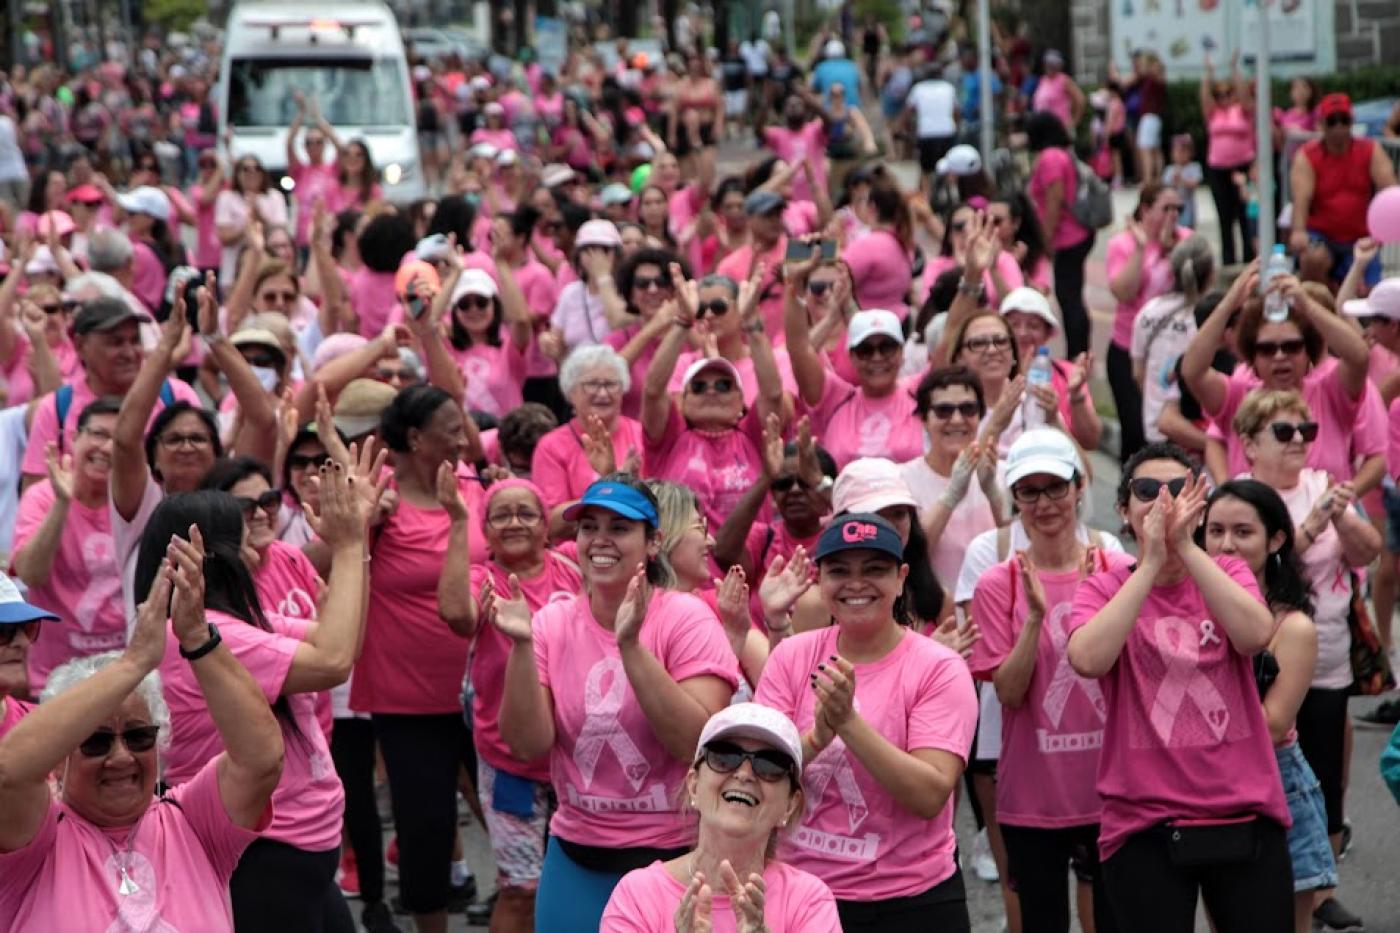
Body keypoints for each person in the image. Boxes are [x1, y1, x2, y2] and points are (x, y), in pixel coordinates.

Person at [483, 475, 739, 931]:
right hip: (578, 859)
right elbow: (527, 745)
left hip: (673, 858)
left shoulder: (686, 618)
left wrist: (631, 647)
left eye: (620, 528)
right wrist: (521, 647)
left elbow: (695, 744)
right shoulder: (551, 623)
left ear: (653, 542)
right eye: (589, 527)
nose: (600, 540)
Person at [0, 537, 284, 932]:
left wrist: (198, 638)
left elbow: (262, 760)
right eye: (96, 742)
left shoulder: (193, 822)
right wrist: (135, 662)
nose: (120, 758)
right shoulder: (36, 840)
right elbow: (9, 771)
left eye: (138, 737)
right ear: (58, 762)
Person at [1066, 443, 1292, 932]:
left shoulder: (1227, 571)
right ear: (1124, 511)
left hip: (1242, 809)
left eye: (1178, 489)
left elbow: (1254, 635)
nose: (1163, 501)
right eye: (1147, 491)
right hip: (1143, 819)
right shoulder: (1104, 588)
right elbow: (1086, 658)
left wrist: (1186, 548)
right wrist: (1148, 564)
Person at [754, 512, 977, 930]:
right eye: (839, 571)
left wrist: (848, 723)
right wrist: (817, 738)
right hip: (803, 894)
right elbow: (758, 773)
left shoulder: (938, 668)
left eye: (874, 570)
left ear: (900, 579)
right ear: (820, 580)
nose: (856, 584)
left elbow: (930, 793)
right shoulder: (791, 656)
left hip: (913, 900)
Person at [1233, 390, 1378, 932]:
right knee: (1271, 775)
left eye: (1307, 432)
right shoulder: (1242, 499)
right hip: (1263, 658)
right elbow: (1242, 563)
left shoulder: (1326, 486)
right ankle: (1267, 882)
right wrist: (1313, 524)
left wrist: (1342, 518)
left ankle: (1321, 888)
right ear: (1248, 442)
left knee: (1324, 778)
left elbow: (1368, 552)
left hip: (1328, 654)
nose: (1299, 443)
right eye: (1285, 432)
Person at [349, 384, 484, 933]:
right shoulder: (380, 501)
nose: (463, 434)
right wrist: (362, 520)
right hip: (408, 700)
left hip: (485, 690)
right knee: (424, 830)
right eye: (450, 427)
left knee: (516, 822)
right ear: (415, 438)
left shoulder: (475, 487)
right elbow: (336, 565)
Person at [970, 428, 1115, 933]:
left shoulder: (1115, 568)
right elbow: (1008, 693)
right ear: (1015, 500)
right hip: (1033, 798)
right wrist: (1034, 618)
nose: (1045, 503)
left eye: (1055, 487)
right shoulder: (999, 582)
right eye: (1029, 491)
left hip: (1113, 791)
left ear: (1078, 488)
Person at [438, 476, 580, 932]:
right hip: (509, 762)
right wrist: (459, 521)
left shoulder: (574, 571)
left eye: (526, 513)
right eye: (501, 515)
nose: (514, 522)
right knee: (521, 889)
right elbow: (459, 616)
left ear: (545, 526)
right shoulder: (484, 579)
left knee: (577, 880)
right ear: (488, 530)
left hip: (577, 756)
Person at [1199, 479, 1339, 933]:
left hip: (1277, 786)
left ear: (1275, 539)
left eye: (1243, 532)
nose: (1226, 544)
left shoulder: (1293, 627)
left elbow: (1273, 724)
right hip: (1206, 788)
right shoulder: (1188, 613)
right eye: (1215, 530)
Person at [600, 703, 841, 931]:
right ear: (694, 785)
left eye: (770, 765)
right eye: (724, 757)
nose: (744, 773)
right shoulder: (637, 895)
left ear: (790, 805)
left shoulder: (810, 901)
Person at [1181, 265, 1384, 489]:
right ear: (1253, 356)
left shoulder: (1329, 390)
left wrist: (1307, 305)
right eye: (1267, 349)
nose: (1280, 356)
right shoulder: (1237, 395)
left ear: (1308, 351)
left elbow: (1358, 357)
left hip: (1326, 519)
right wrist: (1229, 304)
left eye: (1292, 346)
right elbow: (1193, 371)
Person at [642, 270, 786, 531]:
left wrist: (751, 321)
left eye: (723, 385)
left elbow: (773, 394)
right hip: (682, 567)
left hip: (750, 563)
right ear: (683, 401)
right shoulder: (670, 439)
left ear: (741, 401)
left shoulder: (752, 436)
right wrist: (683, 321)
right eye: (698, 386)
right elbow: (653, 390)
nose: (711, 391)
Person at [10, 398, 125, 693]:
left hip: (126, 673)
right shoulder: (42, 496)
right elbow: (30, 574)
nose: (108, 448)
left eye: (119, 439)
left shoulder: (139, 498)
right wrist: (62, 503)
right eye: (99, 434)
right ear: (74, 438)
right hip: (55, 679)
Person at [1105, 183, 1188, 463]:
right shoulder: (1123, 244)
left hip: (1173, 353)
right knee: (1137, 432)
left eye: (1179, 208)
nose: (1174, 215)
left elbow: (1197, 292)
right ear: (1145, 210)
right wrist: (1143, 249)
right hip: (1128, 351)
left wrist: (1171, 251)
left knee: (1172, 432)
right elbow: (1124, 292)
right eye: (1166, 208)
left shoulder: (1185, 241)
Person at [900, 366, 1003, 589]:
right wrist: (951, 495)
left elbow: (1025, 546)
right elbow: (911, 555)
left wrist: (993, 493)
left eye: (968, 409)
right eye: (943, 410)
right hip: (934, 615)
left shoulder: (1001, 473)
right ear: (924, 419)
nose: (957, 420)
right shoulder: (902, 480)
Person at [530, 345, 646, 538]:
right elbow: (550, 523)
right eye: (592, 384)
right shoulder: (551, 446)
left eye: (611, 384)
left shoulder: (641, 434)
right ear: (571, 393)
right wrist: (614, 484)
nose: (602, 393)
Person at [1289, 93, 1397, 287]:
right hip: (1322, 235)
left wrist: (1385, 231)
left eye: (1344, 120)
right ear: (1322, 124)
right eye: (1332, 121)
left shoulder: (1370, 150)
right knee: (1313, 259)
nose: (1338, 127)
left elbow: (1390, 190)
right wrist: (1298, 231)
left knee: (1370, 290)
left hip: (1360, 237)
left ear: (1352, 121)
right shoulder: (1307, 155)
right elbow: (1301, 199)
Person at [1128, 234, 1214, 447]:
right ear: (1211, 275)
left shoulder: (1148, 311)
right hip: (1196, 433)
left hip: (1154, 429)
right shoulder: (1209, 321)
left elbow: (1138, 372)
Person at [1026, 112, 1094, 360]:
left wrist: (1045, 240)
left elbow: (1054, 200)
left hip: (1067, 236)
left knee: (1069, 298)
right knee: (1072, 295)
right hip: (1075, 233)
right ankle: (1079, 350)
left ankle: (1077, 353)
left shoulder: (1050, 158)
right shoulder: (1061, 154)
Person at [1199, 52, 1257, 266]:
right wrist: (1208, 74)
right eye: (1219, 94)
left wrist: (1234, 71)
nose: (1224, 98)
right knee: (1224, 216)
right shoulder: (1214, 113)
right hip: (1218, 168)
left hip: (1243, 166)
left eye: (1227, 93)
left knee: (1245, 214)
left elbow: (1245, 96)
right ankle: (1228, 260)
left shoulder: (1243, 111)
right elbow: (1204, 98)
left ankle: (1250, 258)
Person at [1031, 51, 1085, 135]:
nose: (1049, 67)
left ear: (1058, 65)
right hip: (1044, 128)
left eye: (1052, 64)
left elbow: (1080, 99)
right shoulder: (1043, 80)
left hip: (1060, 127)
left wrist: (1074, 121)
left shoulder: (1064, 80)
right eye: (1047, 64)